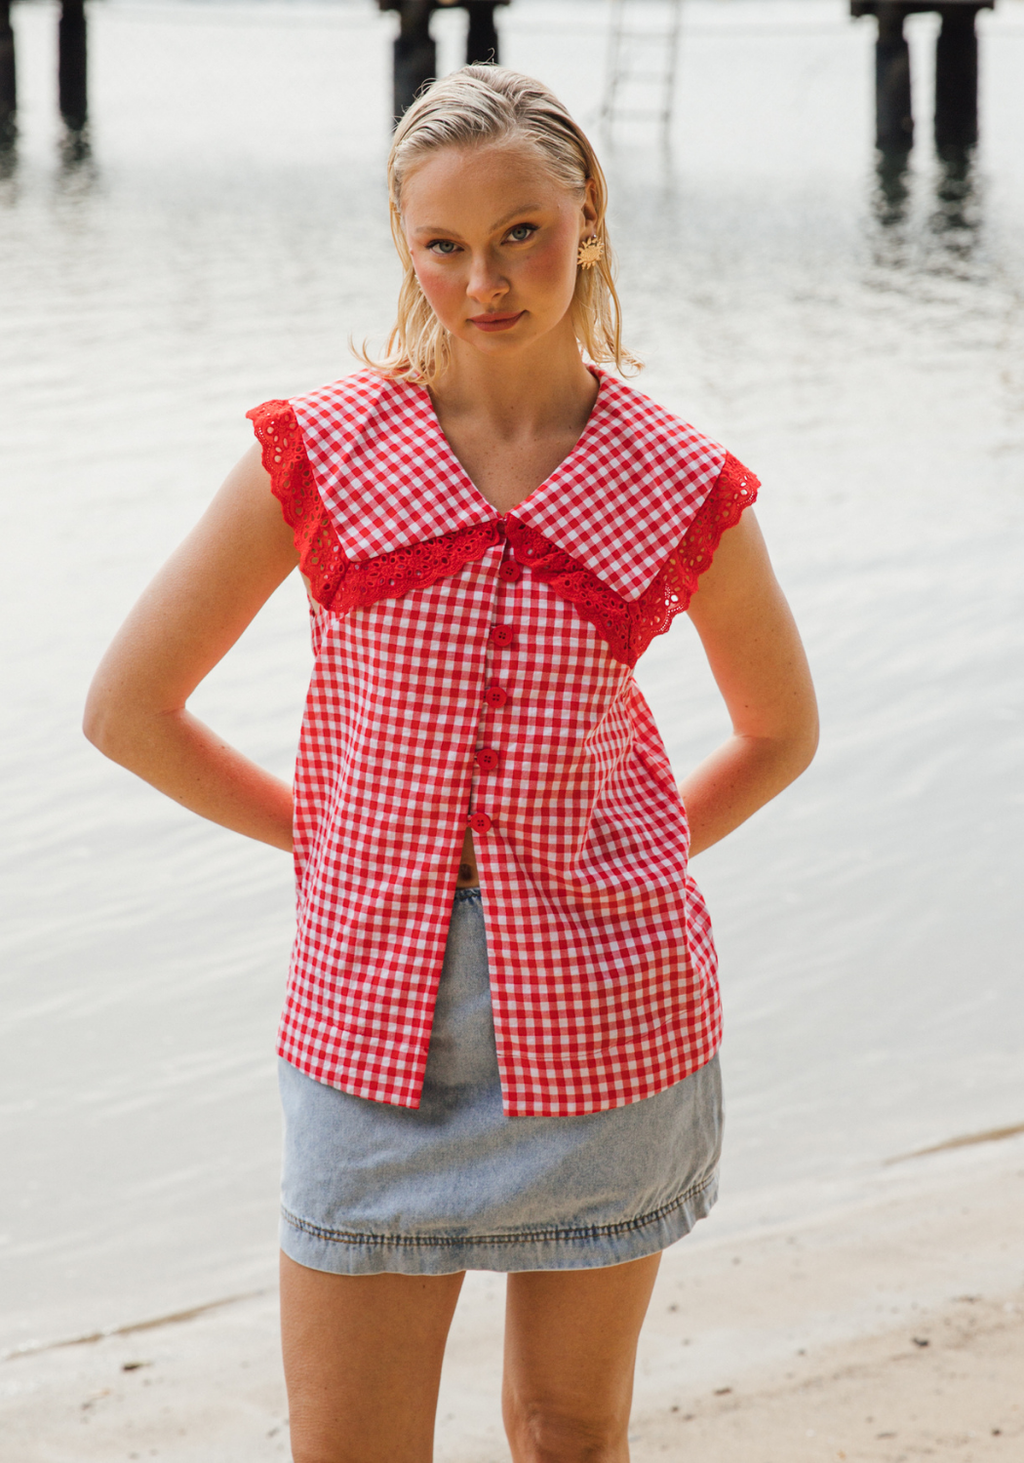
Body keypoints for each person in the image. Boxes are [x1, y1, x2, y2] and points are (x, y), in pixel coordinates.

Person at [85, 66, 817, 1463]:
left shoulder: (679, 480)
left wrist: (630, 864)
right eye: (445, 244)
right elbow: (128, 710)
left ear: (587, 216)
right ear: (402, 242)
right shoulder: (319, 453)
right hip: (366, 1032)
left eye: (521, 233)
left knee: (566, 1433)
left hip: (610, 1027)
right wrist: (333, 844)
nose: (485, 281)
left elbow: (780, 730)